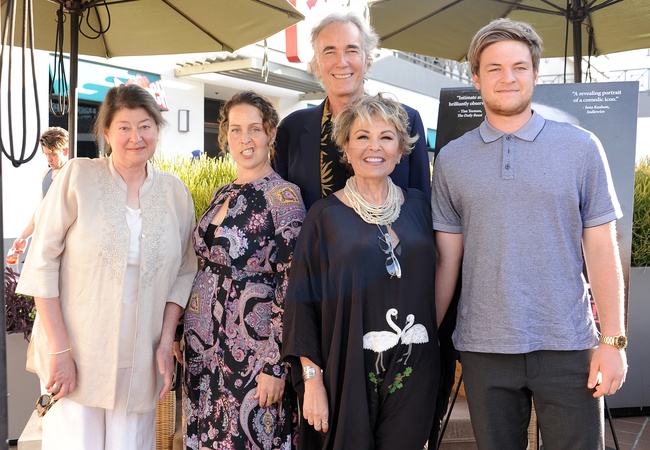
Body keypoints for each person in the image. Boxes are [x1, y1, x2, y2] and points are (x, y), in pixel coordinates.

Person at [431, 18, 627, 449]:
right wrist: (429, 334)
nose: (508, 77)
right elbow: (447, 258)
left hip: (567, 343)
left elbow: (601, 247)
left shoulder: (581, 147)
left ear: (536, 74)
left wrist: (613, 341)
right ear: (476, 78)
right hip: (483, 348)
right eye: (495, 68)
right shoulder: (450, 159)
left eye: (519, 67)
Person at [16, 84, 198, 450]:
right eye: (124, 127)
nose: (136, 137)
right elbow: (42, 263)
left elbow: (184, 272)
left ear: (157, 129)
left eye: (145, 126)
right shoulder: (77, 177)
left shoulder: (174, 192)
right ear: (106, 133)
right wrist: (59, 351)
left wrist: (166, 342)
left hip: (140, 359)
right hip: (76, 353)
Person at [282, 93, 439, 450]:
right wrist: (312, 380)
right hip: (345, 369)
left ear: (400, 149)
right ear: (346, 147)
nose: (375, 147)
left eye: (386, 137)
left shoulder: (420, 207)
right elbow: (301, 306)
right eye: (363, 136)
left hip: (415, 370)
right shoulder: (324, 217)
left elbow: (441, 275)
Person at [182, 91, 306, 450]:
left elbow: (291, 284)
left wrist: (275, 365)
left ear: (270, 133)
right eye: (235, 130)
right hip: (202, 347)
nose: (244, 139)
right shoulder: (222, 192)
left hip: (252, 352)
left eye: (254, 129)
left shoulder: (284, 197)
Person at [274, 12, 431, 210]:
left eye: (352, 50)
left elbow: (422, 207)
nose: (342, 62)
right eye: (329, 52)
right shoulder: (291, 129)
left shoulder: (405, 121)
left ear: (367, 61)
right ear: (316, 65)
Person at [8, 127, 69, 261]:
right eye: (46, 154)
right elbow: (40, 210)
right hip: (47, 243)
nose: (49, 159)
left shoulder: (73, 175)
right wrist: (24, 236)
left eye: (52, 154)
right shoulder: (46, 174)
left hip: (67, 247)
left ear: (65, 151)